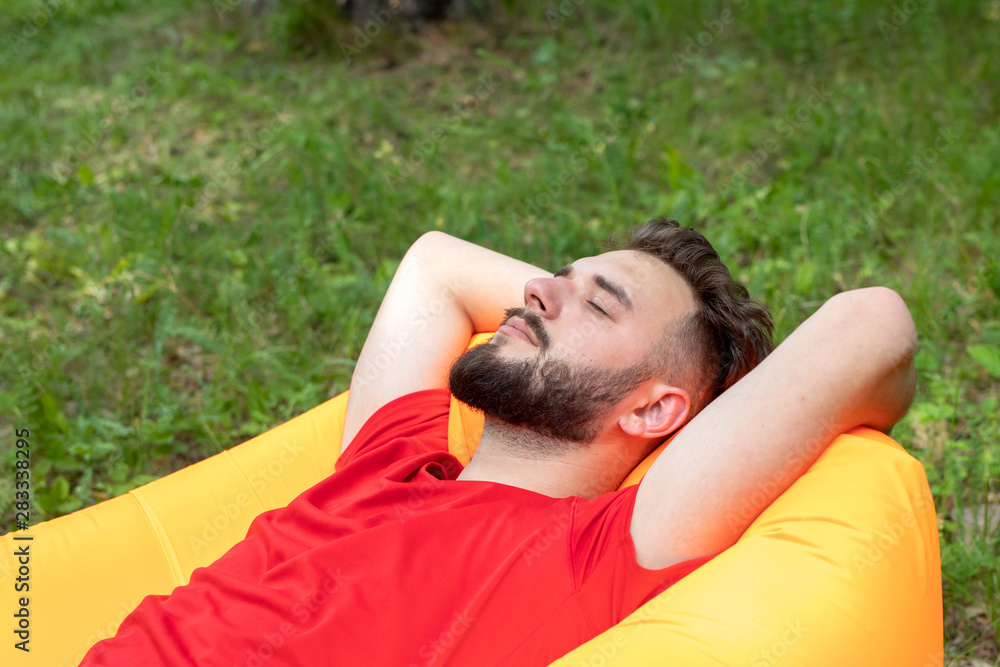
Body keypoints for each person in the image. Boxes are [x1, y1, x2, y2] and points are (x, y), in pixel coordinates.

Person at [79, 218, 917, 666]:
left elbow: (872, 322)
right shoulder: (391, 461)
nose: (539, 292)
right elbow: (435, 263)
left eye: (600, 303)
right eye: (560, 274)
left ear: (654, 412)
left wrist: (709, 406)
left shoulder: (603, 551)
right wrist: (578, 317)